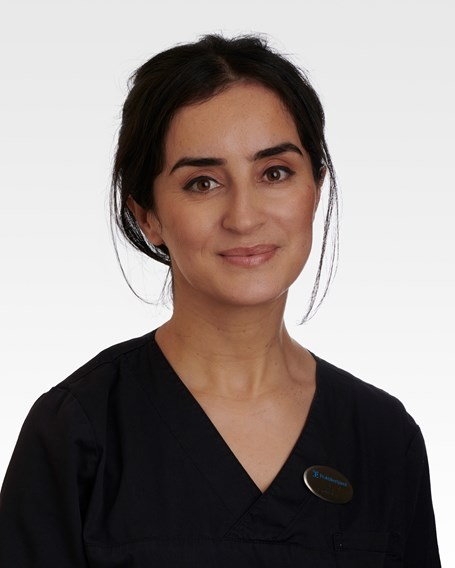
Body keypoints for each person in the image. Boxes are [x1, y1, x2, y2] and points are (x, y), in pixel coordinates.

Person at [0, 34, 440, 567]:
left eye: (274, 173)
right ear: (148, 216)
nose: (244, 217)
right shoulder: (77, 432)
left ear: (316, 188)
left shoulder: (382, 438)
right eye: (203, 183)